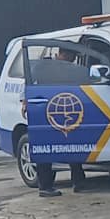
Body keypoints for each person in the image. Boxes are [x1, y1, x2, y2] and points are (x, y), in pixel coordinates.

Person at [36, 46, 88, 198]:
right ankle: (45, 186)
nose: (71, 61)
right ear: (61, 54)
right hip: (46, 110)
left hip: (68, 109)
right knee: (45, 148)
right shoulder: (43, 67)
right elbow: (30, 84)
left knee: (72, 145)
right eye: (70, 57)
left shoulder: (72, 70)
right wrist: (25, 100)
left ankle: (78, 181)